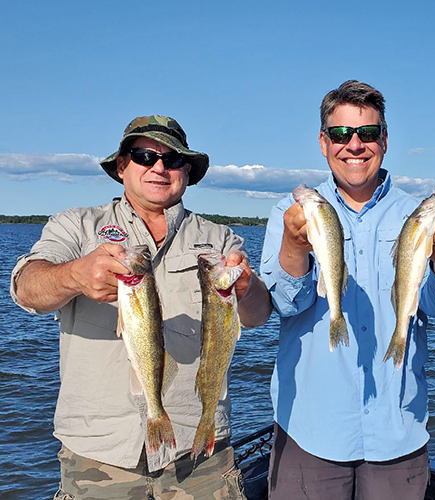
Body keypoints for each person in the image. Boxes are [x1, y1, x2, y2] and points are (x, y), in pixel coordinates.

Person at [10, 115, 272, 499]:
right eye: (144, 155)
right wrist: (75, 275)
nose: (159, 167)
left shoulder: (219, 238)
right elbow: (25, 288)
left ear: (188, 171)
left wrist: (245, 289)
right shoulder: (75, 226)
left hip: (200, 453)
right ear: (121, 166)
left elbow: (259, 315)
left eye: (173, 159)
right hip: (98, 456)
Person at [259, 80, 435, 499]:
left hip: (398, 431)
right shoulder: (289, 215)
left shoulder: (414, 215)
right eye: (340, 134)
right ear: (323, 142)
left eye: (367, 133)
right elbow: (284, 304)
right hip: (310, 431)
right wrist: (293, 248)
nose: (354, 145)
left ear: (385, 140)